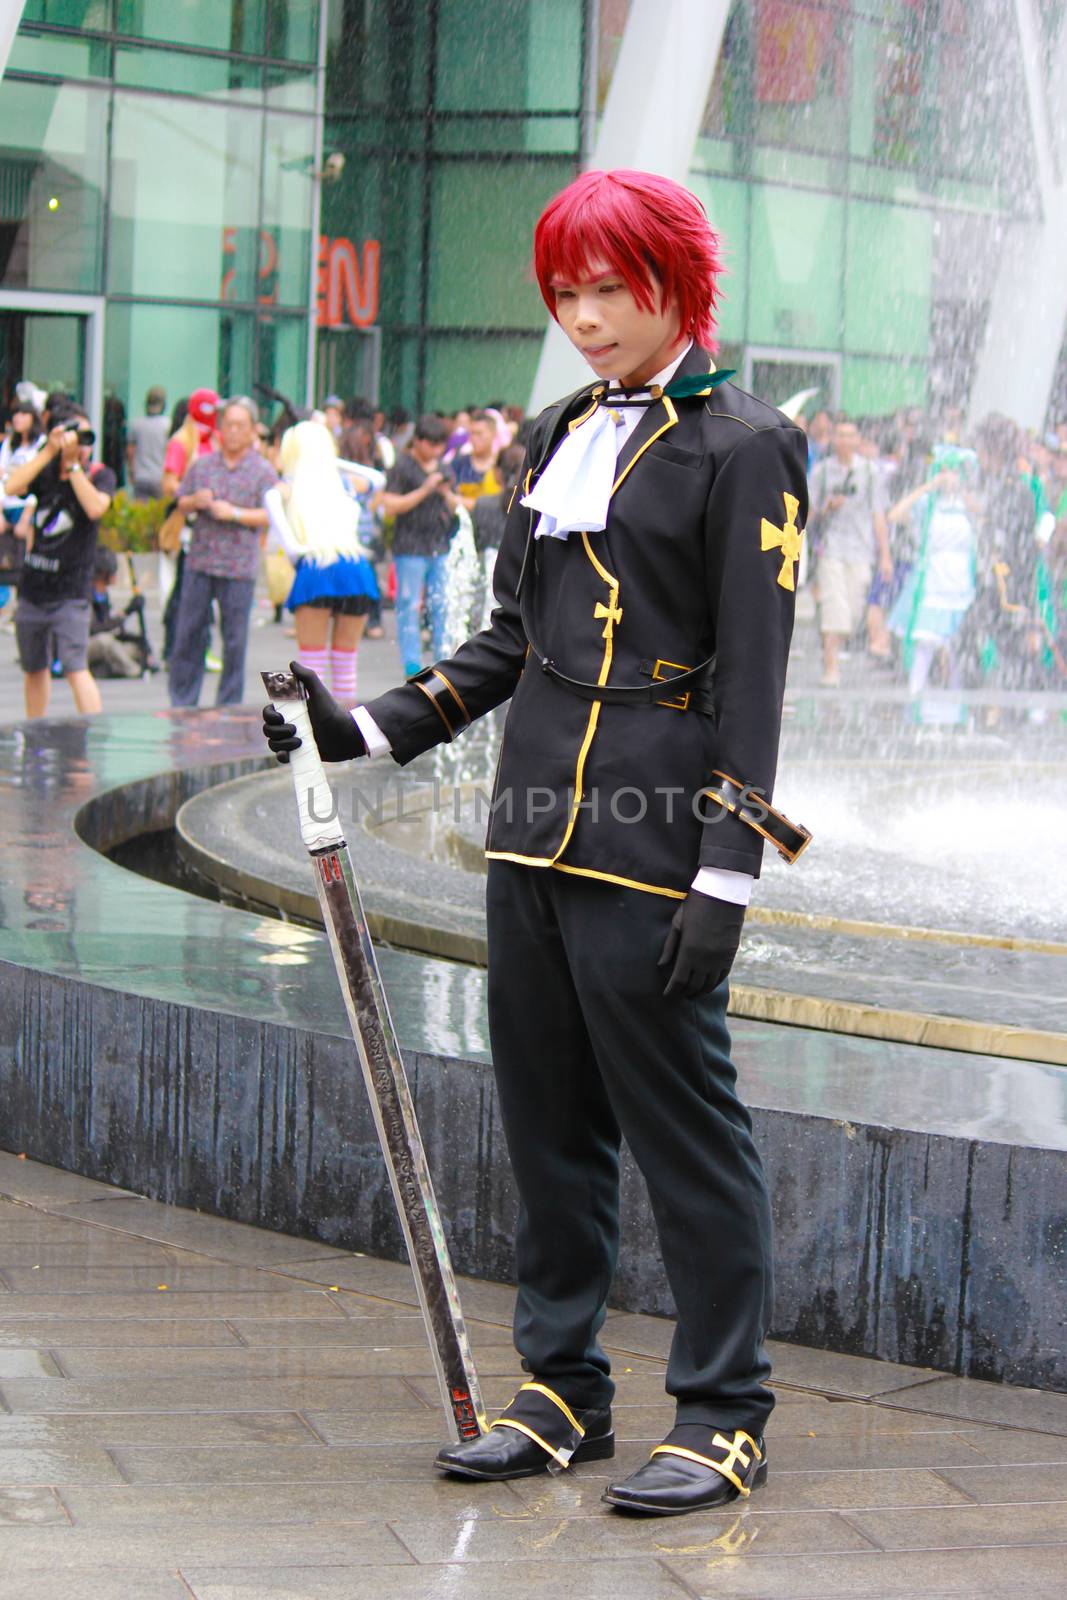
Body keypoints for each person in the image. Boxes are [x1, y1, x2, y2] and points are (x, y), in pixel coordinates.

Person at [264, 167, 810, 1518]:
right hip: (530, 832)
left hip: (654, 837)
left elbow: (754, 673)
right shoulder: (560, 427)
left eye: (607, 290)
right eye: (565, 293)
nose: (583, 317)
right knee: (546, 1127)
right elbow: (516, 635)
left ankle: (723, 1410)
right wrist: (370, 728)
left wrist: (724, 875)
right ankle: (560, 1387)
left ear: (675, 280)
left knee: (685, 1134)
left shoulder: (740, 443)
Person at [5, 401, 115, 718]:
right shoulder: (47, 470)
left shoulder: (98, 474)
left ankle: (90, 732)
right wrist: (48, 452)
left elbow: (95, 508)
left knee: (75, 667)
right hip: (34, 588)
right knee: (34, 667)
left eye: (84, 437)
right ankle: (35, 729)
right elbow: (12, 487)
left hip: (70, 591)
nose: (80, 444)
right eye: (73, 435)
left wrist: (74, 466)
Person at [168, 396, 276, 707]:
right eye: (227, 424)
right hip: (200, 562)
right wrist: (194, 502)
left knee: (234, 641)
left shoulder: (262, 470)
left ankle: (229, 706)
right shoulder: (203, 466)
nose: (232, 431)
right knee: (188, 635)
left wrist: (235, 514)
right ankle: (182, 702)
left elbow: (271, 516)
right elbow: (178, 501)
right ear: (218, 428)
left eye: (240, 425)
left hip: (238, 567)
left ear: (253, 430)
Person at [264, 420, 379, 707]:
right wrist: (329, 460)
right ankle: (347, 732)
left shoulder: (286, 486)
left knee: (309, 664)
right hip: (356, 569)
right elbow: (378, 479)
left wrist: (297, 555)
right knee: (345, 664)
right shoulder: (345, 483)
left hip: (316, 568)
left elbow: (279, 521)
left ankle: (307, 732)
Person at [888, 446, 979, 695]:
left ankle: (958, 697)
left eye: (954, 471)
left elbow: (984, 514)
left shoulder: (966, 503)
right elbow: (895, 515)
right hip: (933, 577)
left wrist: (960, 489)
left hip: (960, 579)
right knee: (925, 640)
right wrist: (928, 487)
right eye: (944, 471)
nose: (948, 476)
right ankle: (914, 693)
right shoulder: (928, 504)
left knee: (956, 644)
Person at [808, 417, 892, 685]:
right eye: (840, 435)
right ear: (834, 439)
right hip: (831, 549)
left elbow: (878, 515)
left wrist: (885, 555)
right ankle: (831, 667)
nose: (845, 440)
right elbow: (808, 513)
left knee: (853, 612)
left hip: (861, 551)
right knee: (836, 608)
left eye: (850, 435)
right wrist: (827, 508)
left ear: (858, 440)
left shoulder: (870, 473)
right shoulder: (821, 472)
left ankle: (829, 651)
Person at [380, 413, 464, 678]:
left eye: (440, 445)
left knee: (441, 603)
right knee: (408, 604)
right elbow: (391, 506)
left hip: (439, 544)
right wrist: (425, 490)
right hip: (410, 546)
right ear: (417, 441)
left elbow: (457, 506)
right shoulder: (402, 467)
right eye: (431, 444)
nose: (435, 451)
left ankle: (443, 658)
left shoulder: (444, 467)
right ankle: (412, 664)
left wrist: (445, 492)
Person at [87, 547, 151, 678]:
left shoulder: (104, 595)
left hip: (107, 645)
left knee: (134, 649)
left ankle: (108, 668)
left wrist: (141, 642)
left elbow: (113, 624)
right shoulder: (86, 596)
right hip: (86, 646)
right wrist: (124, 616)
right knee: (105, 641)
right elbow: (96, 628)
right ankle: (134, 670)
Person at [126, 385, 170, 500]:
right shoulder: (167, 425)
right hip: (160, 478)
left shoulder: (136, 424)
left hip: (141, 477)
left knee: (141, 514)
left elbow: (130, 451)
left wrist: (131, 472)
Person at [450, 410, 502, 507]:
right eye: (472, 433)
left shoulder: (500, 465)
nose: (474, 438)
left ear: (493, 434)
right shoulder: (459, 463)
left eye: (479, 433)